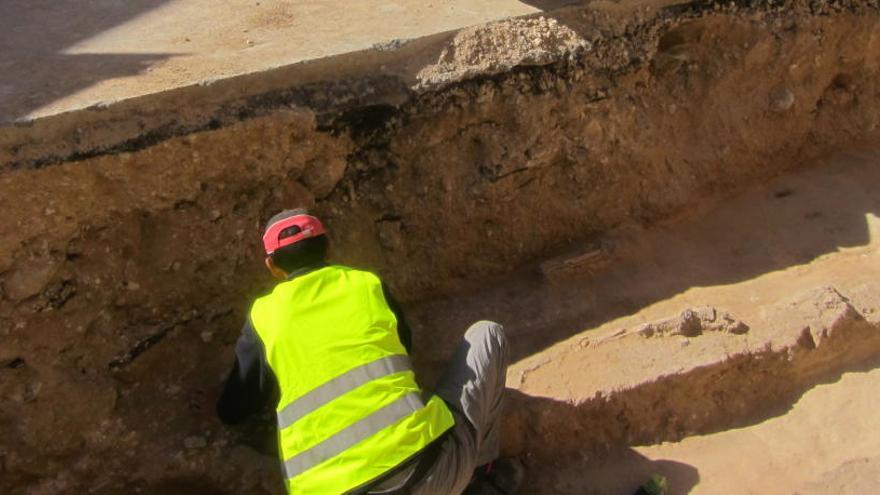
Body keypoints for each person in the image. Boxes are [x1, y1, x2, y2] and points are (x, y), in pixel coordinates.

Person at [216, 209, 523, 494]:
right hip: (431, 477)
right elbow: (402, 348)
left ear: (272, 265)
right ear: (328, 248)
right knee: (487, 334)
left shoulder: (264, 316)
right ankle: (480, 477)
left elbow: (234, 408)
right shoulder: (366, 285)